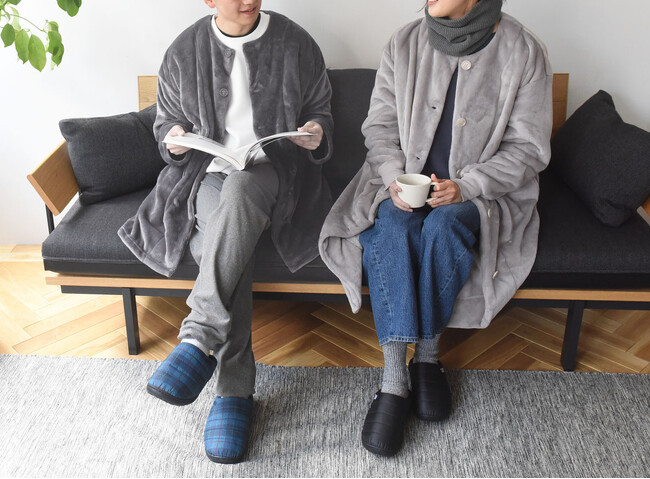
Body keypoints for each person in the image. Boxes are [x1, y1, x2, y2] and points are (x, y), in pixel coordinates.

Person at [319, 0, 552, 457]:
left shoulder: (524, 50)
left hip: (483, 194)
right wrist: (393, 177)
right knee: (391, 226)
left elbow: (528, 149)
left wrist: (468, 186)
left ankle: (427, 357)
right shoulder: (404, 42)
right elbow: (380, 126)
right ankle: (394, 380)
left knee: (444, 226)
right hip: (401, 185)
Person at [118, 0, 332, 464]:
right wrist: (175, 138)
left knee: (239, 195)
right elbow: (164, 123)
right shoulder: (184, 49)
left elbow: (321, 110)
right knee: (228, 236)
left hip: (274, 173)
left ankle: (199, 338)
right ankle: (234, 392)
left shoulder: (295, 41)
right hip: (206, 176)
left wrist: (316, 131)